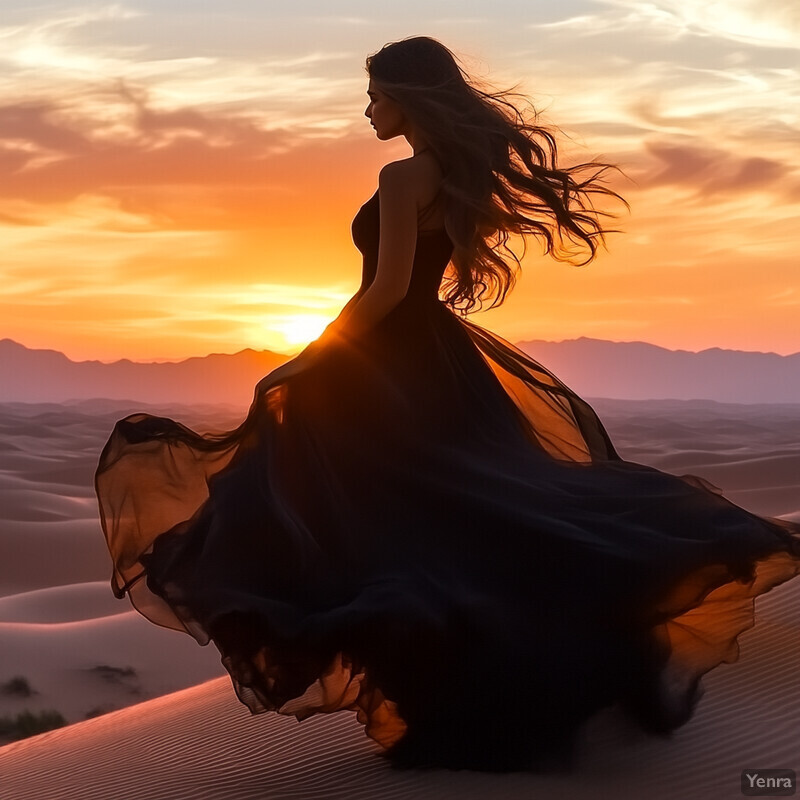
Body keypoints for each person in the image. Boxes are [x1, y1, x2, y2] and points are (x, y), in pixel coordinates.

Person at [95, 36, 800, 773]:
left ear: (410, 96)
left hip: (391, 362)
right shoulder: (447, 173)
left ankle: (463, 689)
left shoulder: (403, 178)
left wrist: (311, 357)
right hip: (431, 358)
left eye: (377, 96)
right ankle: (462, 682)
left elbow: (389, 290)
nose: (369, 110)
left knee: (402, 524)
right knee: (446, 522)